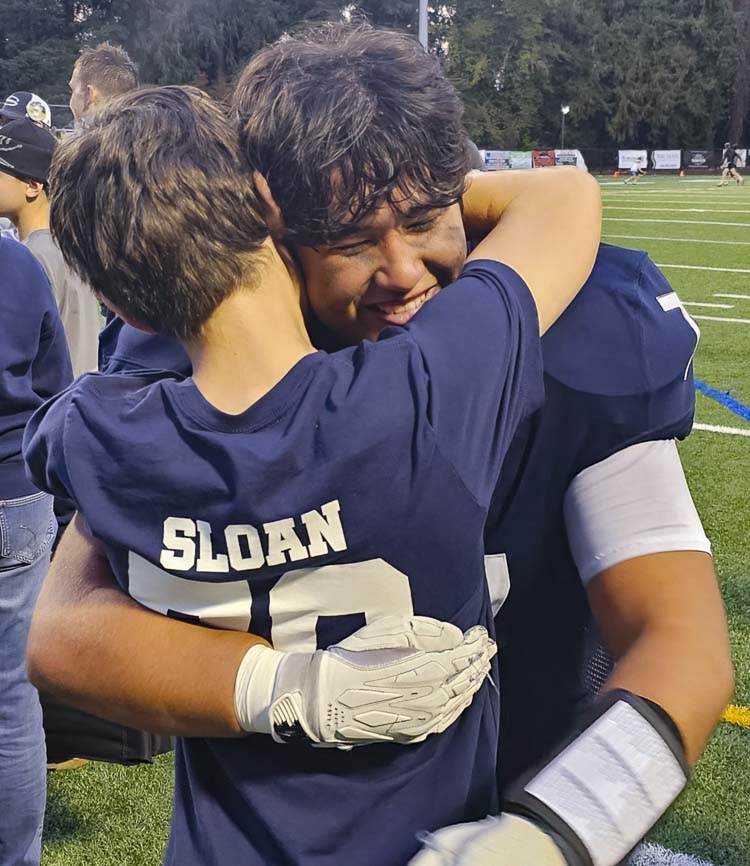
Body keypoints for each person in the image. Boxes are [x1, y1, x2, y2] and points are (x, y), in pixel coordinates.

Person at [28, 23, 732, 866]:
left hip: (524, 796)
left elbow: (681, 643)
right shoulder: (196, 347)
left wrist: (560, 832)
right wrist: (293, 691)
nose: (402, 272)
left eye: (430, 218)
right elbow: (64, 628)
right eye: (353, 240)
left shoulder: (574, 325)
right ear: (275, 234)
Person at [0, 235, 72, 866]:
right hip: (17, 494)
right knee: (11, 700)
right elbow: (56, 386)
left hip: (16, 494)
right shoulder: (18, 263)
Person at [0, 118, 100, 375]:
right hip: (77, 398)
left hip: (50, 405)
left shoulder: (28, 258)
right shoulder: (72, 244)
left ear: (33, 186)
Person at [68, 41, 138, 125]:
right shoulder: (150, 134)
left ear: (89, 94)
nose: (71, 101)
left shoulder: (94, 138)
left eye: (72, 90)